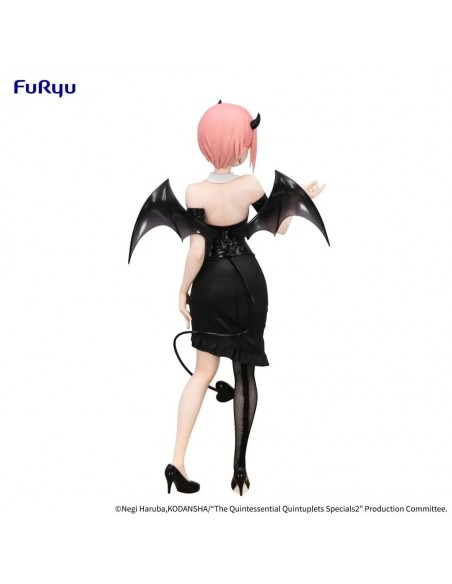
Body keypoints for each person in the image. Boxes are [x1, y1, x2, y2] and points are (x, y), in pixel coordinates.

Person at [163, 102, 325, 496]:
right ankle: (239, 467)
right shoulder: (250, 184)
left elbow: (197, 250)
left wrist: (182, 290)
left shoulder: (195, 191)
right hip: (247, 283)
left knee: (203, 373)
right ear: (239, 143)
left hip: (209, 285)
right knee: (244, 372)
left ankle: (176, 461)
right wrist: (297, 199)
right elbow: (279, 228)